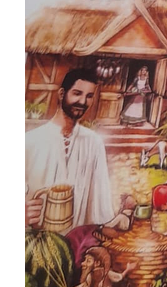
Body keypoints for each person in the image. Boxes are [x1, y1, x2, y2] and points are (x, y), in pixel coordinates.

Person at [25, 68, 115, 231]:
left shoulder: (94, 142)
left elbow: (100, 202)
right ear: (62, 94)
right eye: (77, 93)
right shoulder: (31, 141)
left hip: (77, 240)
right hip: (35, 238)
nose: (83, 101)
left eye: (89, 96)